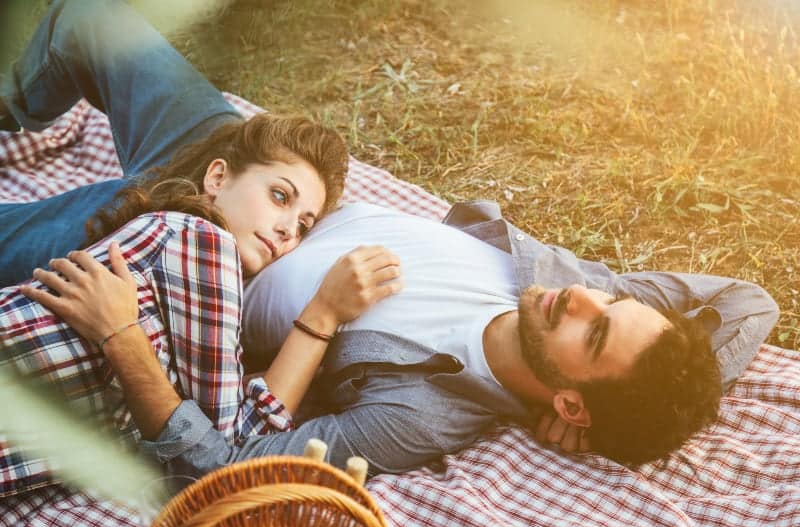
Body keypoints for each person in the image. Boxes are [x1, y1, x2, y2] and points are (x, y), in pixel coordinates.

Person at [29, 201, 779, 479]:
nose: (583, 294)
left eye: (597, 327)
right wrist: (623, 406)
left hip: (200, 251)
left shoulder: (420, 413)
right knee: (90, 22)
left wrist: (124, 337)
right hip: (290, 185)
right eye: (612, 297)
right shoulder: (565, 284)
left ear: (570, 405)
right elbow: (750, 301)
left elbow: (228, 470)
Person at [0, 0, 402, 498]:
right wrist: (321, 315)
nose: (287, 233)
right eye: (280, 198)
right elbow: (233, 452)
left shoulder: (203, 244)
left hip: (173, 212)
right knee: (92, 18)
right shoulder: (208, 244)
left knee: (90, 17)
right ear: (217, 174)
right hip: (190, 207)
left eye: (304, 225)